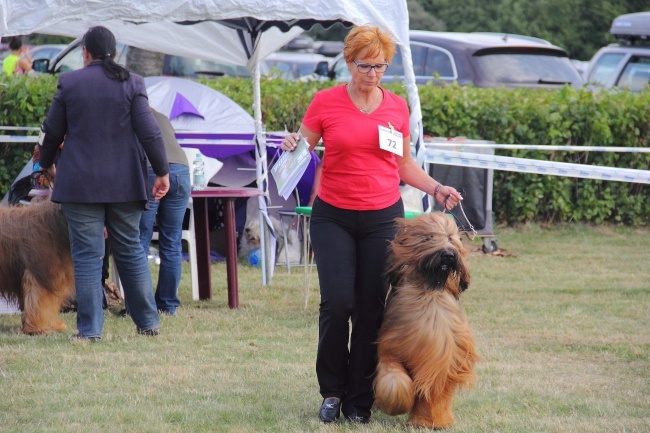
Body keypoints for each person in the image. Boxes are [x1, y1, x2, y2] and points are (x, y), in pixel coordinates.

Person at [280, 25, 463, 424]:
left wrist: (437, 187)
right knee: (337, 303)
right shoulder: (326, 102)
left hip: (382, 217)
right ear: (349, 62)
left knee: (370, 308)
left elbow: (402, 164)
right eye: (365, 66)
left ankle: (359, 400)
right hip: (334, 215)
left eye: (380, 67)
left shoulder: (396, 108)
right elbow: (302, 147)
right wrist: (292, 144)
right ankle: (332, 391)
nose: (372, 74)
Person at [38, 26, 170, 341]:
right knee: (131, 251)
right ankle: (148, 324)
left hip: (80, 185)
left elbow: (52, 131)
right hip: (125, 183)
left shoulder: (70, 82)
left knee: (86, 255)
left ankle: (90, 331)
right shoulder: (132, 83)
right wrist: (162, 171)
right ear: (114, 51)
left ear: (85, 52)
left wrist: (45, 164)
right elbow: (150, 132)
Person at [139, 109, 191, 316]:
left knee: (139, 242)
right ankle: (168, 305)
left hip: (153, 171)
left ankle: (141, 305)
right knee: (172, 242)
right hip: (182, 172)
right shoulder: (161, 116)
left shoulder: (128, 114)